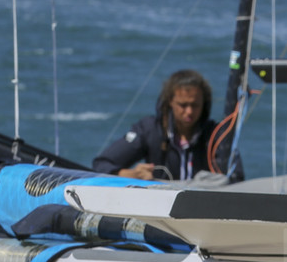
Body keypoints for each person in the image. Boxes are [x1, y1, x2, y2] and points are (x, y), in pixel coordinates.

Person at [93, 69, 241, 182]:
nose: (189, 111)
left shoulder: (217, 135)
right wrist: (132, 174)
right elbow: (101, 165)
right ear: (170, 101)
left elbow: (236, 178)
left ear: (204, 104)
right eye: (183, 105)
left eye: (195, 105)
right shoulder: (149, 129)